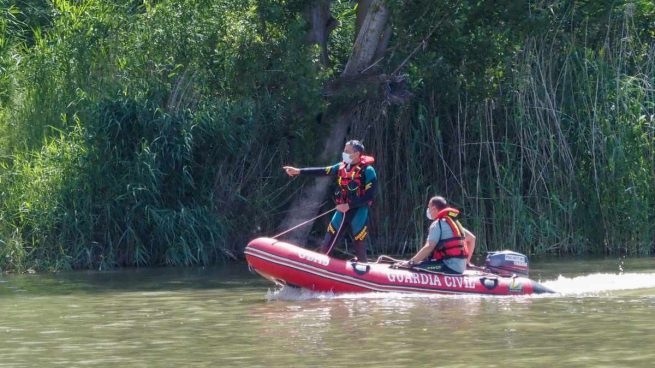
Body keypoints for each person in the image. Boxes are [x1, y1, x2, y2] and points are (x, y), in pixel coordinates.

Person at [282, 140, 377, 262]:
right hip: (341, 210)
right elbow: (322, 170)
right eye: (344, 150)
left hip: (358, 211)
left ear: (357, 154)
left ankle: (364, 270)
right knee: (327, 243)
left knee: (359, 243)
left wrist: (349, 205)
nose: (344, 153)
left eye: (347, 151)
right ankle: (320, 269)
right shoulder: (341, 167)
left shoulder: (368, 171)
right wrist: (299, 171)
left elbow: (370, 196)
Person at [397, 196, 476, 274]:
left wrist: (410, 263)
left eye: (429, 207)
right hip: (459, 268)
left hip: (448, 266)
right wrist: (466, 263)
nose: (428, 210)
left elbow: (429, 246)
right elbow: (472, 238)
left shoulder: (438, 224)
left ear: (434, 208)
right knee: (421, 263)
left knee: (415, 267)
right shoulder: (455, 223)